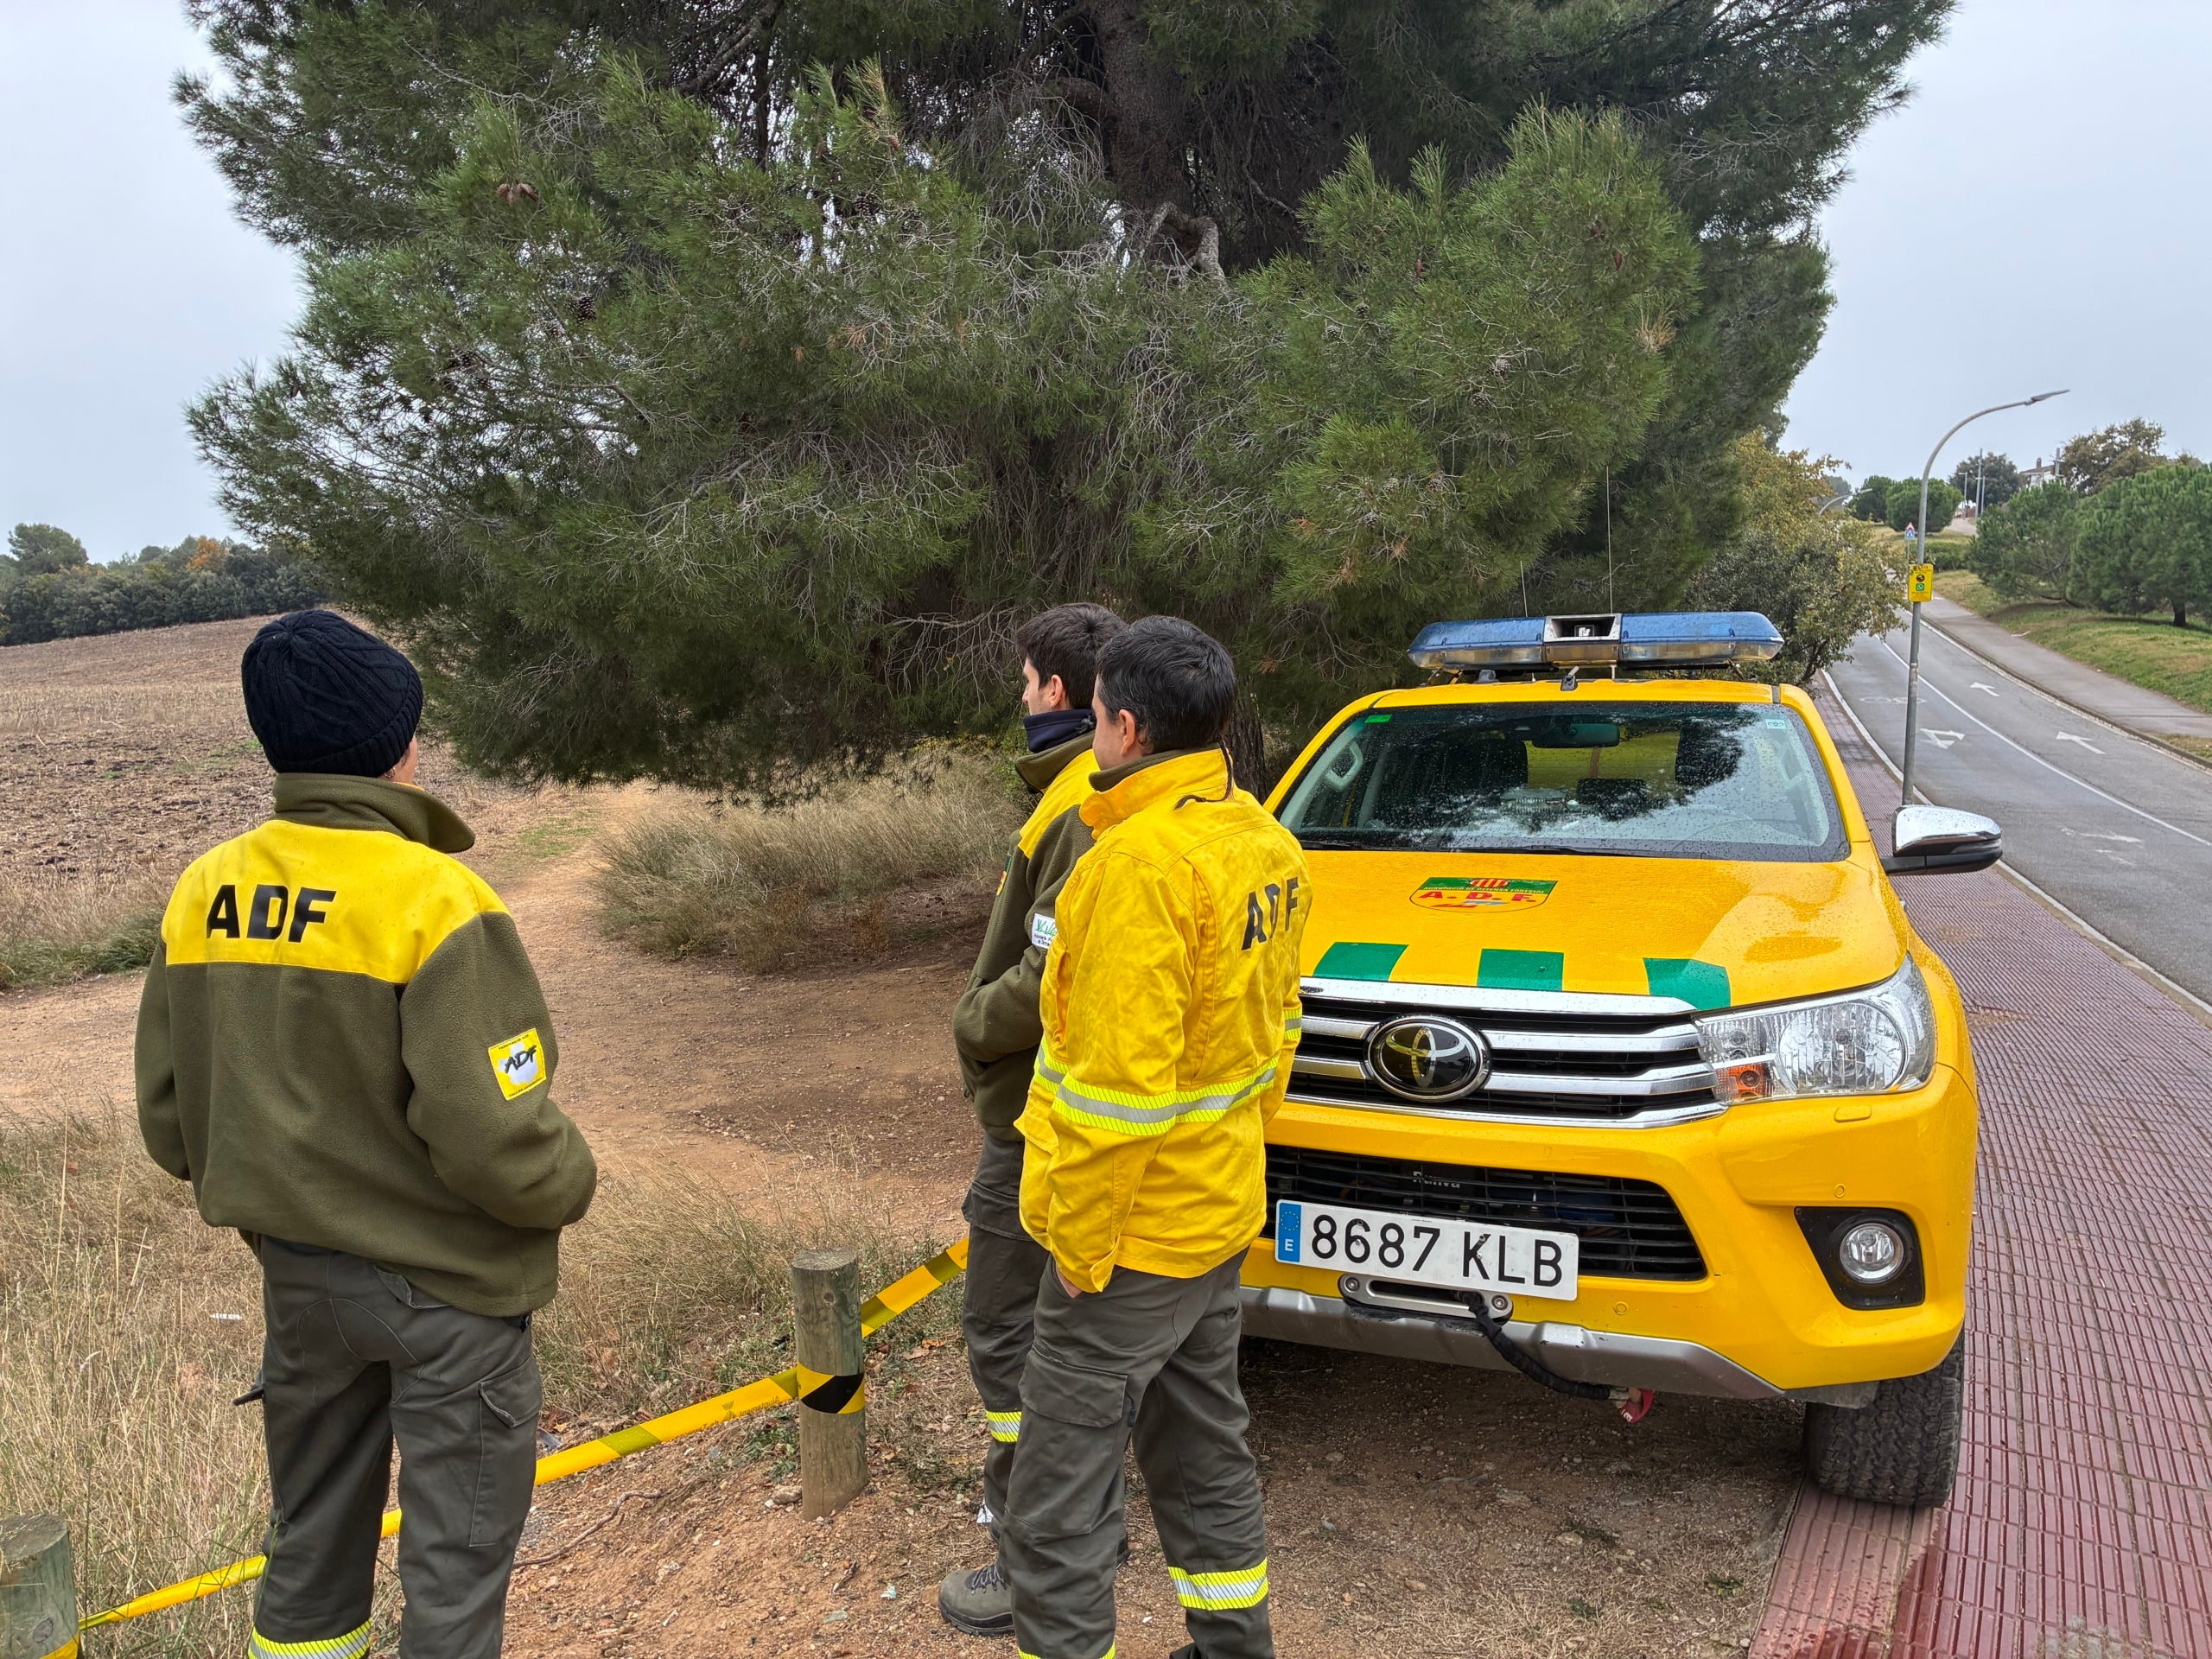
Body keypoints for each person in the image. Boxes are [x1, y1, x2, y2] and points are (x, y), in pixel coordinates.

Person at [135, 609, 598, 1659]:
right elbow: (497, 1142)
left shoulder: (203, 891)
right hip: (452, 1299)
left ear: (271, 740)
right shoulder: (437, 897)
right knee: (453, 1576)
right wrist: (570, 1179)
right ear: (404, 748)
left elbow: (172, 1123)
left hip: (297, 1285)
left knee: (307, 1556)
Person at [1000, 615, 1309, 1659]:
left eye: (1090, 718)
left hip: (1126, 1244)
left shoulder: (1137, 866)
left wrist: (1081, 1247)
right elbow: (1277, 1033)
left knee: (1056, 1502)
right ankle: (1235, 1649)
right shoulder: (1264, 843)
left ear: (1125, 726)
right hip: (1214, 1215)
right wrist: (1230, 1160)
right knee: (1201, 1448)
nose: (1087, 736)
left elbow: (1114, 1093)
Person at [940, 602, 1126, 1637]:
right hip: (1113, 1118)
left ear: (1058, 692)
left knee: (1013, 1328)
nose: (1019, 698)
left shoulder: (1073, 804)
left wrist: (971, 1023)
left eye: (1024, 683)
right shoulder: (1183, 801)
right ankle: (1081, 1517)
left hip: (1044, 1118)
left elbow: (1046, 974)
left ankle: (1033, 1547)